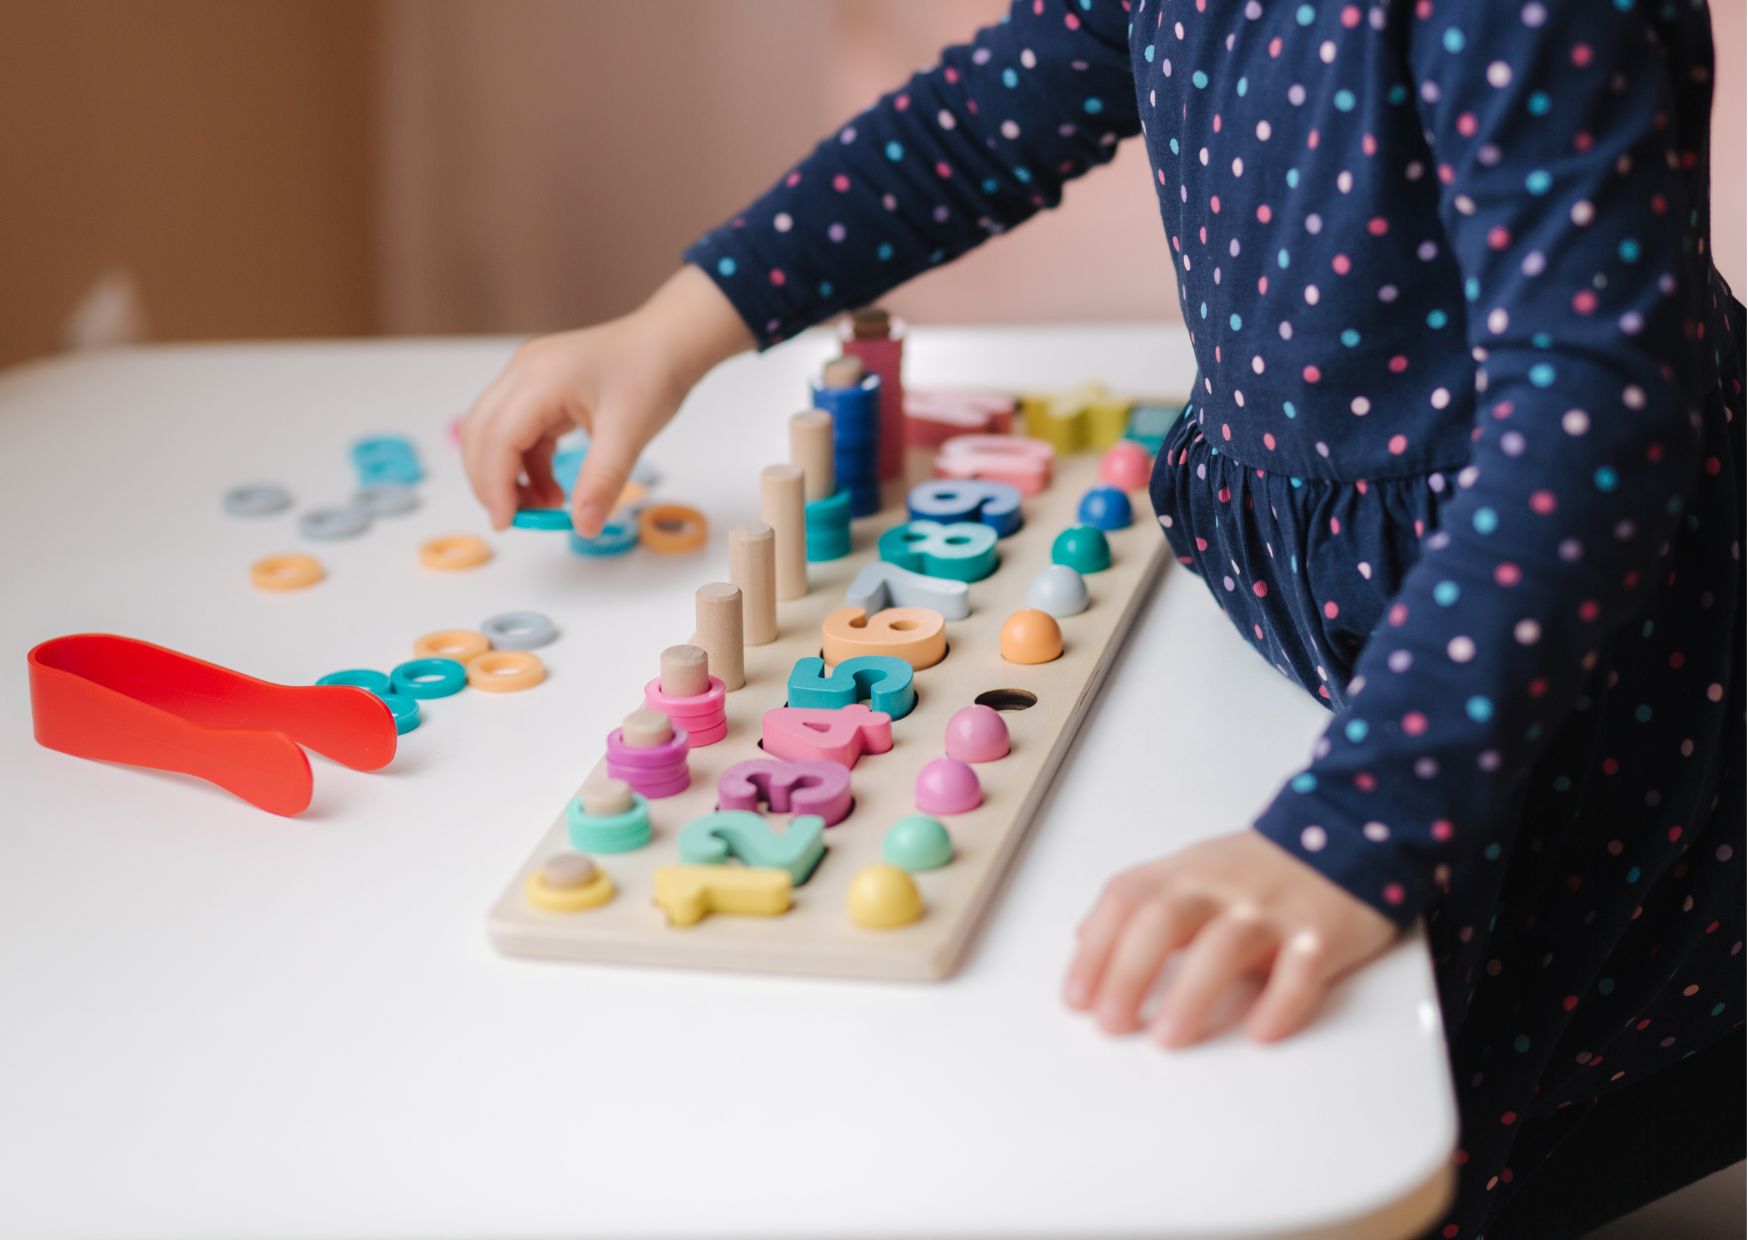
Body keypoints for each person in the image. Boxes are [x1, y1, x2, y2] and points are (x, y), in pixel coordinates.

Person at [459, 3, 1744, 1233]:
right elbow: (980, 121)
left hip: (1544, 627)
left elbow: (1589, 421)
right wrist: (673, 327)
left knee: (1404, 1106)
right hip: (1316, 589)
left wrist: (1354, 827)